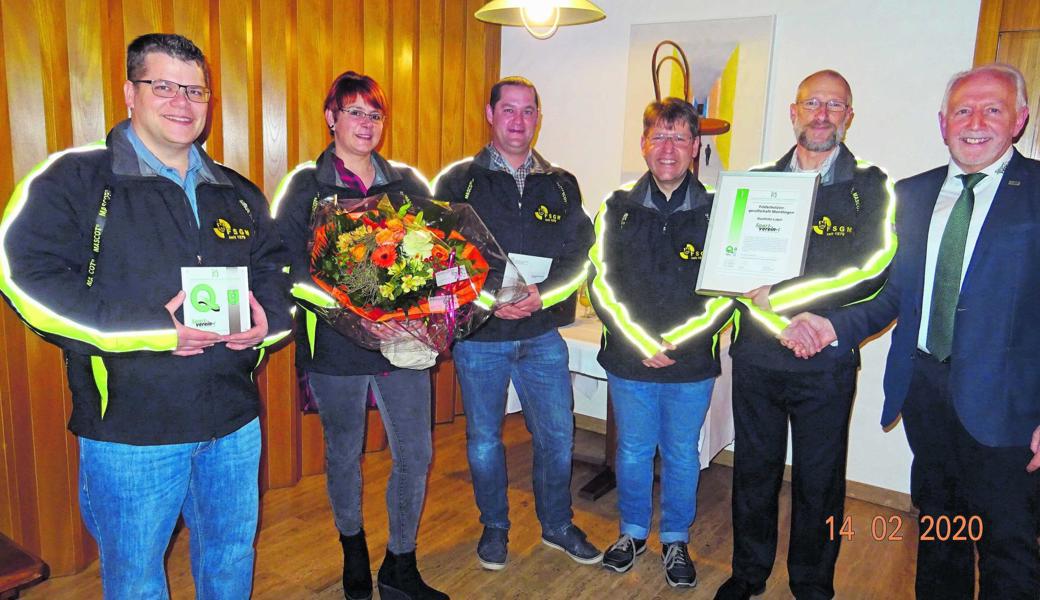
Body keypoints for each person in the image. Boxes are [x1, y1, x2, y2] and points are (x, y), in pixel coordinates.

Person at [0, 33, 293, 598]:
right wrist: (156, 331)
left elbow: (275, 275)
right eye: (164, 86)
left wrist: (268, 324)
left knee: (231, 558)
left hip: (234, 422)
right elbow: (23, 276)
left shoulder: (236, 192)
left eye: (195, 90)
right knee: (136, 579)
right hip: (131, 430)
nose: (182, 102)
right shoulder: (76, 179)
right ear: (129, 92)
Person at [782, 64, 1040, 600]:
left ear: (1019, 120)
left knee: (1009, 551)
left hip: (1011, 410)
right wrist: (830, 324)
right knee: (939, 532)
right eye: (962, 110)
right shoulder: (915, 194)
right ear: (942, 123)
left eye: (992, 109)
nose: (975, 121)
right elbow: (898, 295)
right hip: (926, 395)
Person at [715, 70, 896, 600]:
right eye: (812, 103)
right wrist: (773, 310)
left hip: (826, 363)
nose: (822, 114)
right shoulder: (755, 182)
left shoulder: (871, 186)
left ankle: (813, 583)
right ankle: (748, 573)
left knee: (820, 481)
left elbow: (874, 268)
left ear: (849, 116)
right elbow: (731, 269)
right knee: (753, 474)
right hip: (758, 357)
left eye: (834, 105)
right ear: (793, 112)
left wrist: (790, 304)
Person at [272, 71, 448, 600]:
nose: (366, 124)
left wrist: (427, 316)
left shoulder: (407, 185)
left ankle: (401, 560)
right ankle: (353, 547)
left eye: (374, 114)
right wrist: (353, 312)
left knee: (415, 453)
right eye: (354, 112)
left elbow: (440, 258)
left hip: (401, 343)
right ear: (331, 118)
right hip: (335, 344)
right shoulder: (306, 185)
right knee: (343, 451)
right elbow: (289, 268)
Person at [432, 76, 599, 570]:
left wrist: (541, 296)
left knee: (557, 435)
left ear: (537, 118)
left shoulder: (562, 184)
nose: (519, 121)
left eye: (529, 111)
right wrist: (487, 298)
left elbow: (580, 256)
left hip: (542, 333)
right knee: (484, 438)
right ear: (490, 114)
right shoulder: (457, 182)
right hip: (481, 336)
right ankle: (495, 527)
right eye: (509, 109)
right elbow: (440, 260)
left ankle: (557, 525)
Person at [588, 97, 733, 587]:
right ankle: (630, 532)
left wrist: (676, 342)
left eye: (679, 138)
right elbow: (600, 283)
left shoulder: (720, 213)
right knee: (631, 451)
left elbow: (729, 293)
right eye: (659, 137)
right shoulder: (616, 208)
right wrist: (638, 341)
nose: (668, 148)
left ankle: (675, 539)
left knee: (680, 453)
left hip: (691, 362)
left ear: (696, 146)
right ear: (644, 144)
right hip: (630, 360)